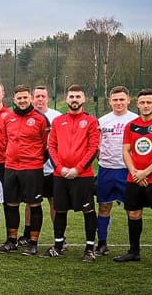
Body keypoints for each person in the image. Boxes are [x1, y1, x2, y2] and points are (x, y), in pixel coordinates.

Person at [114, 89, 152, 267]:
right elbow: (126, 151)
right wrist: (134, 172)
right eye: (142, 102)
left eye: (149, 102)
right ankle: (134, 251)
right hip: (134, 178)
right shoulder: (131, 126)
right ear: (137, 104)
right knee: (133, 213)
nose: (145, 105)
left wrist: (145, 172)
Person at [44, 84, 101, 262]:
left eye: (78, 96)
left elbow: (94, 148)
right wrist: (60, 169)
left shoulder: (91, 121)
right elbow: (51, 146)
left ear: (84, 99)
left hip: (82, 176)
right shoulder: (58, 121)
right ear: (66, 99)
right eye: (71, 97)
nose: (74, 100)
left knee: (88, 211)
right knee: (60, 210)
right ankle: (58, 246)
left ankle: (90, 248)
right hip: (60, 176)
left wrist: (78, 169)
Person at [0, 84, 50, 255]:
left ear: (31, 98)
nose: (22, 100)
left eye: (25, 97)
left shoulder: (41, 119)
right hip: (11, 167)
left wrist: (36, 160)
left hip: (32, 168)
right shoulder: (8, 118)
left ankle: (33, 243)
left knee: (34, 204)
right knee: (11, 204)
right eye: (19, 98)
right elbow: (6, 141)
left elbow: (47, 146)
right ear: (14, 100)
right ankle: (11, 240)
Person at [95, 86, 138, 256]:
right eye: (115, 100)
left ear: (128, 100)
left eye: (122, 99)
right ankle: (102, 244)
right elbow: (96, 146)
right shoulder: (102, 121)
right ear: (110, 101)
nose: (118, 103)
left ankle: (134, 247)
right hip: (106, 170)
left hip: (127, 171)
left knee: (132, 210)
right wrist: (103, 160)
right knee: (104, 207)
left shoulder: (135, 120)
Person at [25, 85, 62, 247]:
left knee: (54, 201)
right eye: (37, 96)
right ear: (33, 98)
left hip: (53, 168)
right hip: (33, 169)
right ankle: (27, 234)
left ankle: (58, 236)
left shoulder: (57, 117)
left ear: (48, 98)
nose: (40, 99)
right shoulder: (27, 116)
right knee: (31, 202)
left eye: (43, 96)